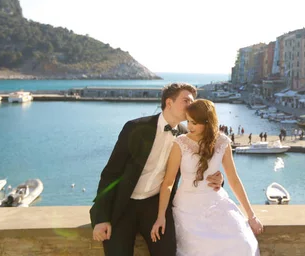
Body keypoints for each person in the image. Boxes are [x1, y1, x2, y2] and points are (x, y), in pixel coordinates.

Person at [90, 83, 224, 256]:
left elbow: (201, 168)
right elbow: (111, 173)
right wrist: (102, 218)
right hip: (123, 205)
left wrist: (218, 180)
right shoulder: (135, 128)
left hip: (156, 207)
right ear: (169, 103)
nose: (191, 105)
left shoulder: (188, 136)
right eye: (186, 100)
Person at [150, 99, 262, 255]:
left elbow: (234, 180)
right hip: (187, 207)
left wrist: (251, 215)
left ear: (208, 122)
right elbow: (168, 182)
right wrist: (161, 216)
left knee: (243, 244)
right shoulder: (180, 143)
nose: (189, 127)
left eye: (194, 123)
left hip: (216, 202)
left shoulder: (222, 142)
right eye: (188, 121)